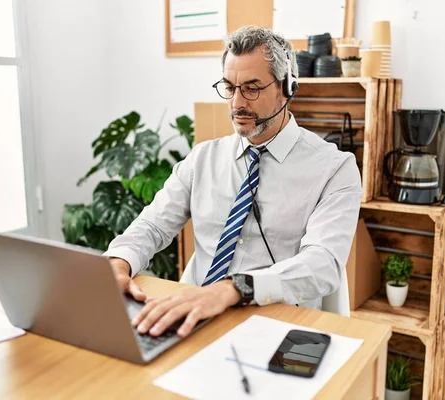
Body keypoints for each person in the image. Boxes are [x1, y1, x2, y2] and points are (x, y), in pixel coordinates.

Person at [104, 26, 362, 339]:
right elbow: (153, 225)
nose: (237, 103)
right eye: (229, 87)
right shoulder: (203, 159)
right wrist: (120, 261)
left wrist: (234, 289)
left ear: (288, 87)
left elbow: (322, 264)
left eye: (251, 88)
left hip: (280, 327)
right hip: (197, 321)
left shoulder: (335, 169)